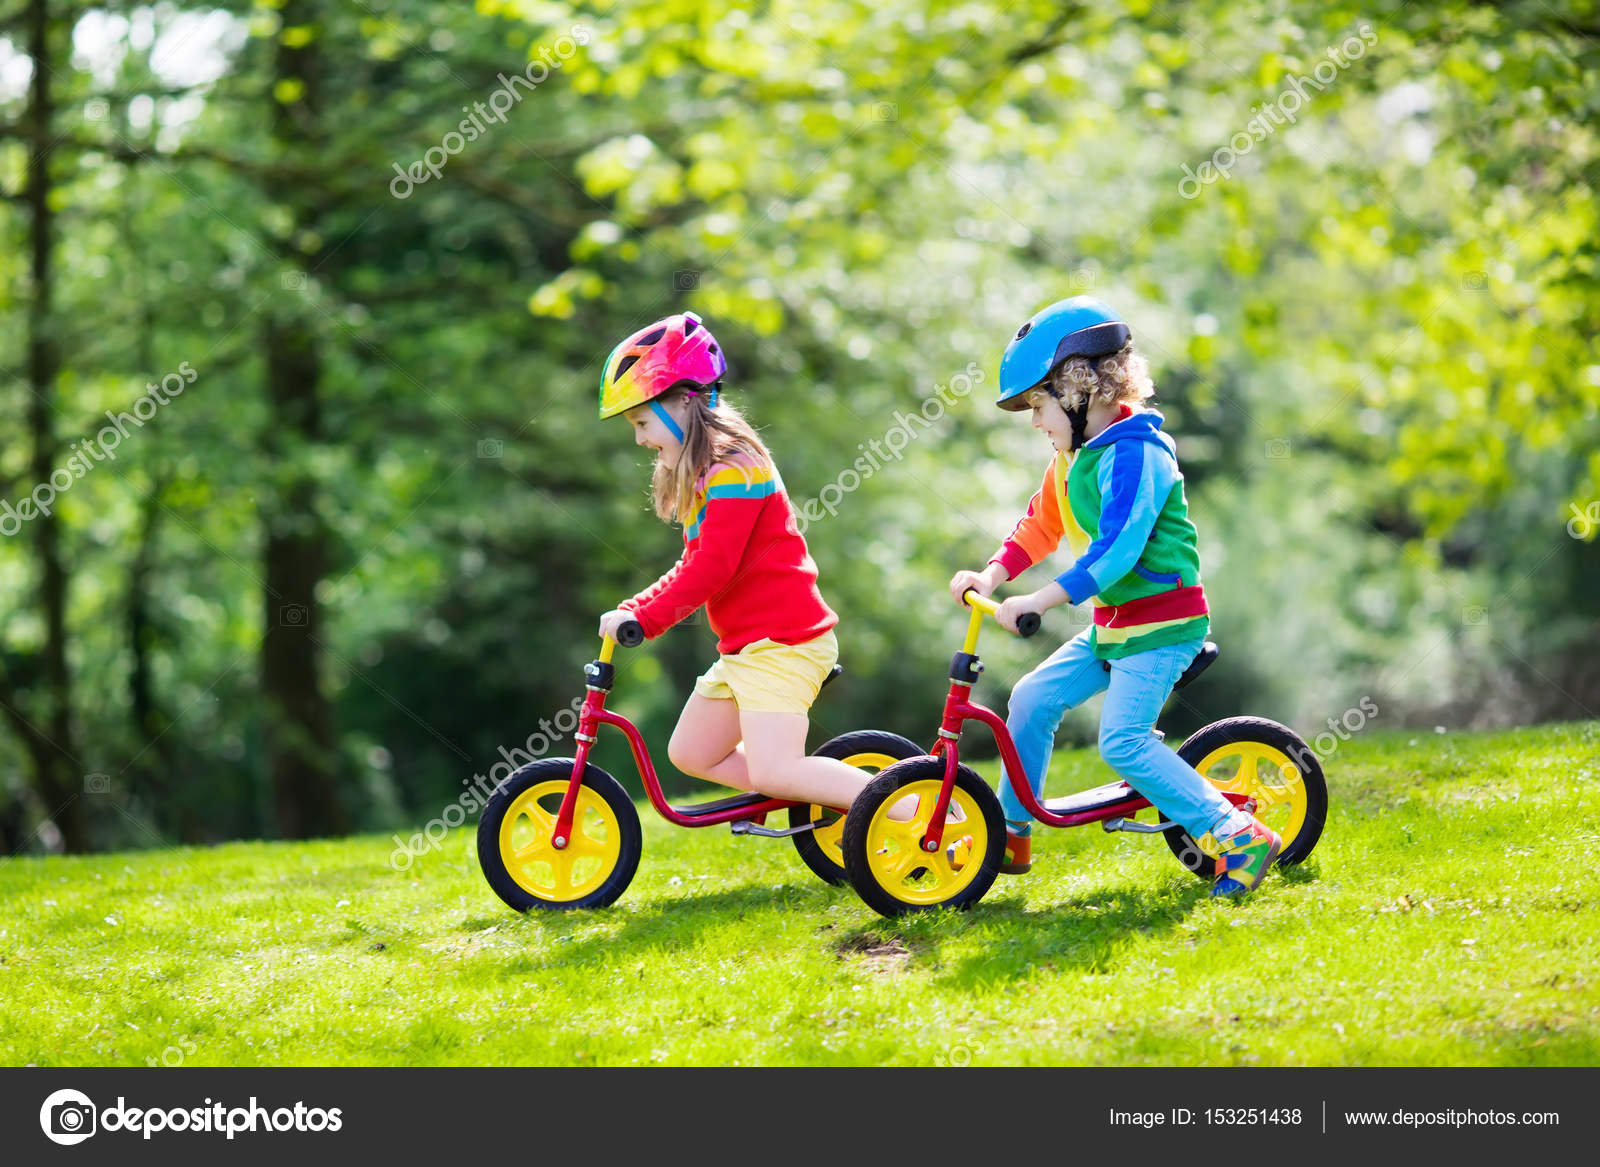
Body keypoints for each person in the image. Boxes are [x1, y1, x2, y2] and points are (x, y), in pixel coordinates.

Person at [948, 296, 1280, 896]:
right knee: (1029, 700)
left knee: (1122, 741)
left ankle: (1239, 835)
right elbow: (1039, 526)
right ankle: (1011, 834)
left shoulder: (1139, 453)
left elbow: (1118, 550)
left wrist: (1041, 600)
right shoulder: (1072, 458)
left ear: (1081, 390)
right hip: (1114, 627)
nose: (1035, 422)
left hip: (1162, 626)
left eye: (1039, 405)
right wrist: (993, 576)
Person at [594, 311, 870, 809]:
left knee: (775, 768)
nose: (639, 439)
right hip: (746, 649)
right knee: (693, 753)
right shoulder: (706, 473)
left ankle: (916, 811)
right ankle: (821, 802)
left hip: (784, 644)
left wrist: (648, 622)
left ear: (682, 401)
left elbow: (711, 570)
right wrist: (635, 607)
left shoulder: (735, 468)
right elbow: (691, 561)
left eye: (641, 421)